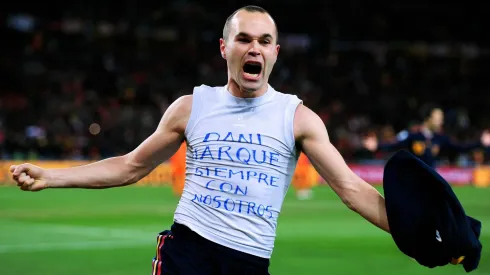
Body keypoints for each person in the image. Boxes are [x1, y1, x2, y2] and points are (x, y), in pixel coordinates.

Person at [10, 5, 390, 275]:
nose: (253, 47)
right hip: (187, 253)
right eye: (242, 39)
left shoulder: (298, 118)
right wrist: (51, 176)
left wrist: (425, 236)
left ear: (275, 52)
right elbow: (130, 166)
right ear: (225, 48)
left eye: (264, 40)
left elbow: (353, 191)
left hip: (250, 261)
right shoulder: (192, 107)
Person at [363, 105, 490, 167]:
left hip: (432, 180)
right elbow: (394, 144)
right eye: (438, 118)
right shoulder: (413, 135)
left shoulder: (441, 138)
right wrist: (377, 145)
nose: (441, 121)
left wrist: (480, 143)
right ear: (428, 119)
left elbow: (460, 147)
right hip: (413, 179)